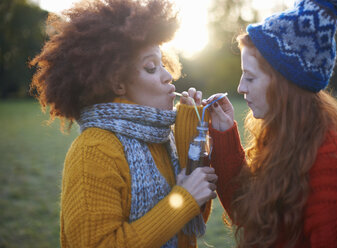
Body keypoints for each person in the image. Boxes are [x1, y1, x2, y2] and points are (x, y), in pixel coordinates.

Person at [29, 0, 217, 247]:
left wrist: (189, 137)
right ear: (118, 83)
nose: (168, 75)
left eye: (163, 64)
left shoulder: (162, 138)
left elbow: (189, 226)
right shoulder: (94, 150)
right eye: (151, 67)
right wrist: (184, 198)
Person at [207, 0, 337, 247]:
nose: (240, 87)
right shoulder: (285, 137)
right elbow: (250, 213)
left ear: (284, 84)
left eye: (250, 77)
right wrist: (223, 132)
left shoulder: (333, 169)